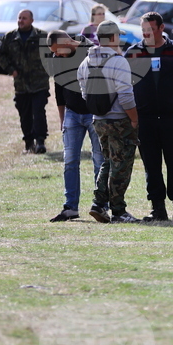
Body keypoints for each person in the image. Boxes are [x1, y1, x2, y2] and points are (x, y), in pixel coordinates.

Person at [126, 12, 173, 222]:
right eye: (143, 31)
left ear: (161, 28)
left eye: (150, 30)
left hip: (171, 117)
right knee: (151, 164)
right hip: (145, 119)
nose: (146, 34)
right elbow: (124, 81)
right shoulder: (134, 53)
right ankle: (157, 208)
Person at [79, 21, 140, 223]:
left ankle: (98, 204)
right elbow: (126, 95)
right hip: (119, 121)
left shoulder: (85, 63)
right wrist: (134, 119)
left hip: (98, 120)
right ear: (113, 38)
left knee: (108, 161)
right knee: (121, 165)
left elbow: (84, 94)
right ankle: (119, 211)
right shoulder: (118, 61)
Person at [46, 31, 104, 222]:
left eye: (59, 51)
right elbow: (59, 90)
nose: (58, 55)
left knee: (99, 160)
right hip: (72, 113)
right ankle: (70, 207)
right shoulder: (57, 58)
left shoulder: (91, 52)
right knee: (70, 161)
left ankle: (101, 205)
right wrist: (62, 119)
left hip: (93, 112)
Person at [0, 9, 50, 154]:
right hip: (21, 84)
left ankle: (40, 141)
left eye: (24, 18)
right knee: (24, 113)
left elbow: (52, 54)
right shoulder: (9, 37)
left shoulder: (42, 36)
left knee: (38, 112)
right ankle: (28, 143)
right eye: (19, 18)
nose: (21, 21)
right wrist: (10, 69)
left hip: (39, 82)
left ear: (32, 20)